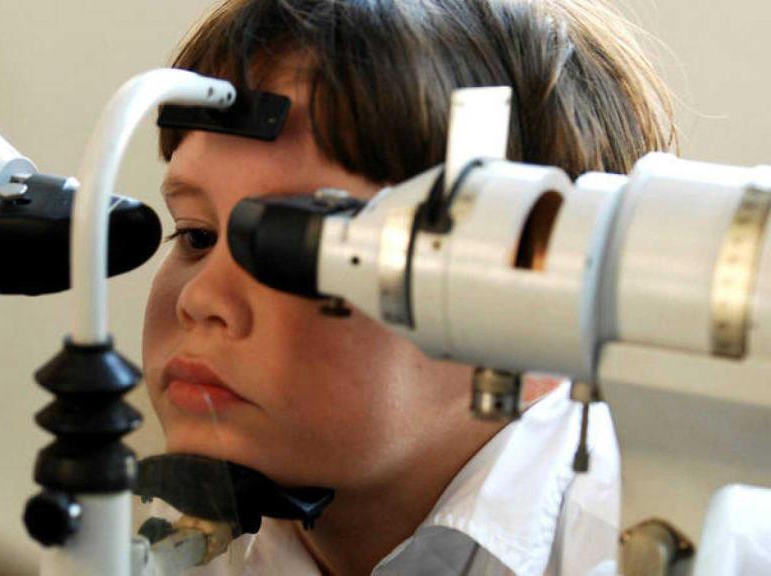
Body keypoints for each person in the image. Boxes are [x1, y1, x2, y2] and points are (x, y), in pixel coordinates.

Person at [142, 1, 675, 574]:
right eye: (196, 236)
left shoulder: (653, 548)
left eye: (298, 249)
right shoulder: (184, 549)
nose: (200, 300)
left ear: (535, 315)